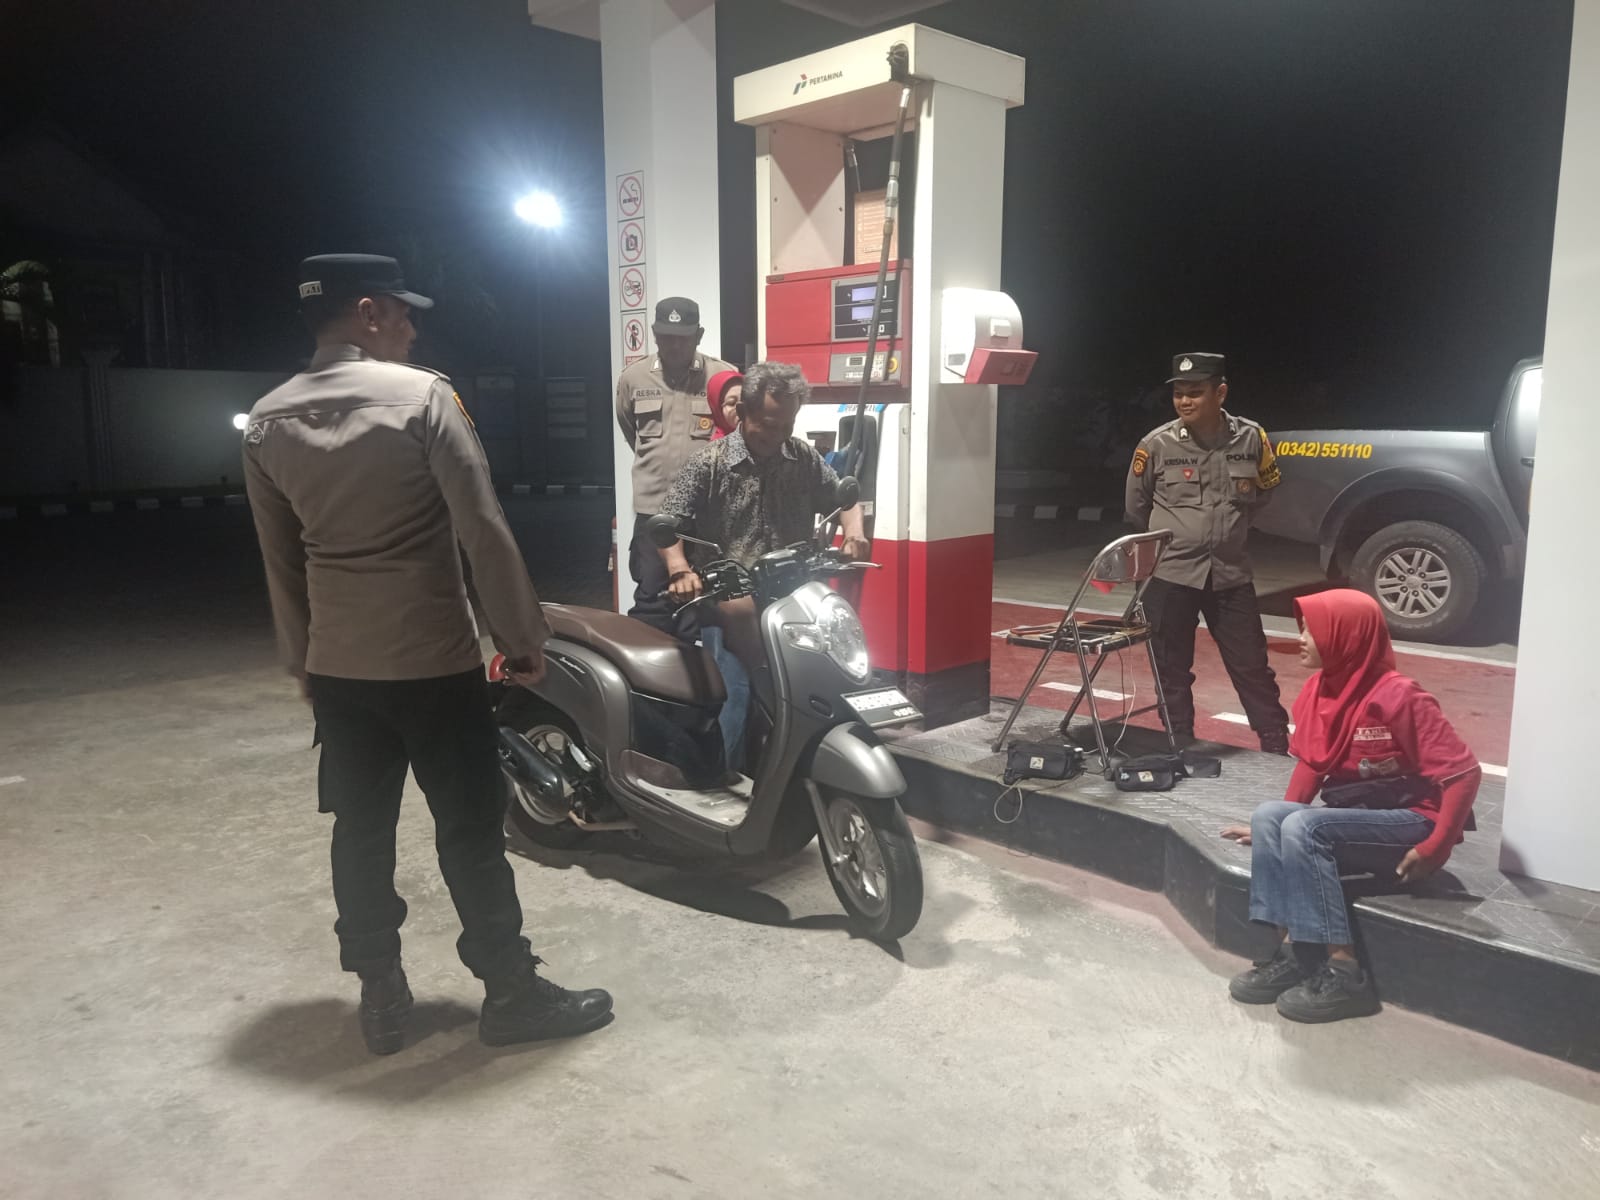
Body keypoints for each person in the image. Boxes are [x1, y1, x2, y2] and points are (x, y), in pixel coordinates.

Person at [242, 254, 612, 1056]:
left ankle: (380, 993)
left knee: (360, 830)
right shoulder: (424, 398)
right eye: (404, 313)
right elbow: (482, 528)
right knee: (470, 830)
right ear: (368, 312)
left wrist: (302, 662)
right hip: (433, 664)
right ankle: (511, 992)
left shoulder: (267, 420)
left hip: (341, 670)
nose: (413, 328)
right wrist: (521, 639)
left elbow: (281, 560)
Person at [1221, 588, 1481, 1023]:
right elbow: (1311, 765)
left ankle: (1345, 975)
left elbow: (1463, 773)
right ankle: (1292, 955)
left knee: (1306, 828)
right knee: (1270, 817)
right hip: (1362, 819)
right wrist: (1272, 833)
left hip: (1413, 822)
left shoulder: (1399, 696)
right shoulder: (1317, 691)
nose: (1301, 639)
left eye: (1313, 631)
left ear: (1347, 637)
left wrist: (1437, 847)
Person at [655, 361, 870, 678]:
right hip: (728, 587)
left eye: (787, 425)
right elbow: (668, 522)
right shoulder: (708, 463)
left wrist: (854, 535)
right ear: (743, 411)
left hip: (793, 583)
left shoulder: (802, 457)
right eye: (769, 425)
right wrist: (679, 570)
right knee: (740, 619)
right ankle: (764, 678)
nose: (778, 435)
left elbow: (844, 501)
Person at [1126, 352, 1291, 754]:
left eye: (1195, 393)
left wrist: (1229, 530)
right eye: (1179, 393)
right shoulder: (1156, 444)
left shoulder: (1251, 438)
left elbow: (1265, 489)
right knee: (1171, 667)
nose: (1184, 401)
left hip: (1230, 575)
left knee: (1251, 665)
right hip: (1170, 575)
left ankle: (1274, 743)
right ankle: (1180, 741)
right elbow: (1136, 508)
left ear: (1220, 393)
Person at [615, 296, 734, 638]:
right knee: (652, 601)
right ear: (654, 334)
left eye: (683, 337)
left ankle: (696, 668)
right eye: (666, 336)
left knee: (704, 601)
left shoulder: (722, 376)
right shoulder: (633, 378)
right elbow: (631, 432)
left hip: (705, 515)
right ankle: (651, 670)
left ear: (699, 335)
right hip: (654, 514)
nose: (675, 345)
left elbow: (735, 435)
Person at [699, 369, 751, 771]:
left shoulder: (776, 455)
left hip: (766, 593)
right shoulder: (708, 460)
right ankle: (724, 772)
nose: (737, 410)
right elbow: (677, 519)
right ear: (717, 408)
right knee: (736, 688)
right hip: (723, 594)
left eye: (743, 402)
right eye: (729, 403)